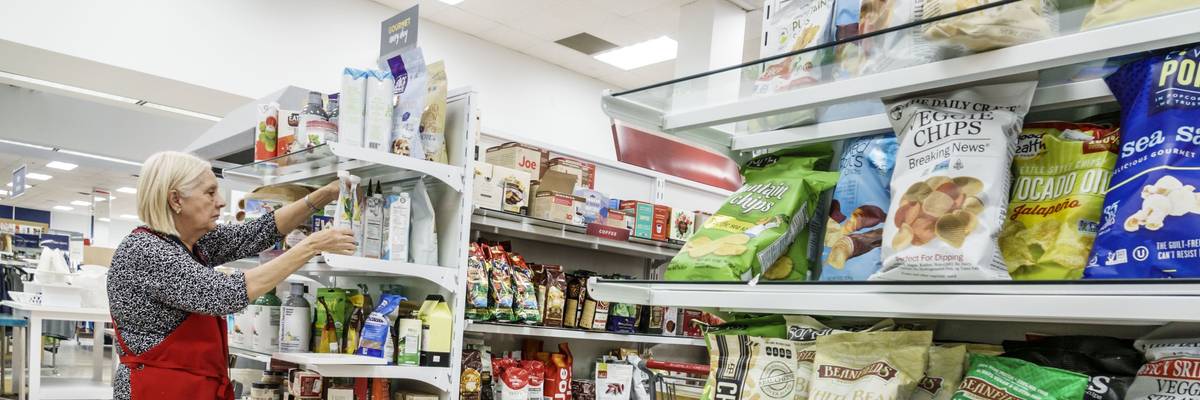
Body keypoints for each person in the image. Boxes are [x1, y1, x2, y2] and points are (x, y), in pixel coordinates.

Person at [107, 151, 356, 400]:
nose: (221, 201)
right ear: (175, 200)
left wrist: (325, 195)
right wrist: (311, 246)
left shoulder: (190, 242)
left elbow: (255, 233)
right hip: (156, 390)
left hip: (190, 388)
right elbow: (224, 294)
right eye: (210, 192)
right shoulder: (145, 251)